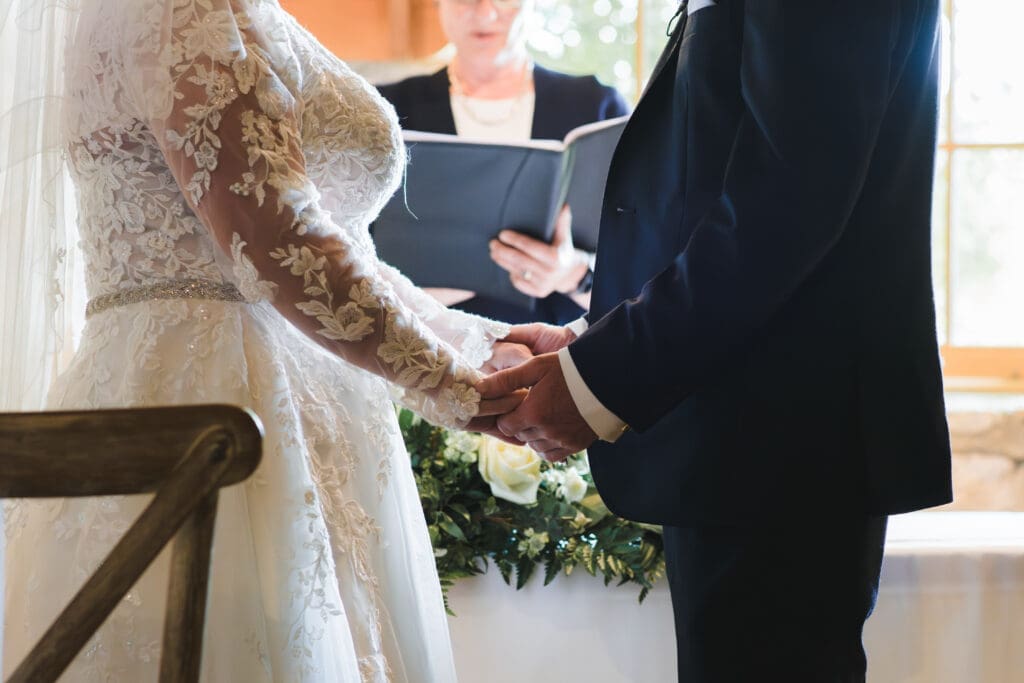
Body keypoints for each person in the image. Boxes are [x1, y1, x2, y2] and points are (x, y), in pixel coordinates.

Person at [0, 0, 530, 680]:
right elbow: (277, 240)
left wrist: (480, 343)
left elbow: (333, 249)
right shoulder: (180, 9)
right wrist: (455, 386)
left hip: (285, 392)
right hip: (220, 395)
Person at [478, 1, 953, 680]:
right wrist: (589, 342)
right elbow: (709, 203)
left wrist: (598, 380)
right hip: (743, 434)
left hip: (782, 444)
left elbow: (785, 206)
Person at [377, 0, 629, 325]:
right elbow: (345, 263)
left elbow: (644, 272)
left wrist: (573, 275)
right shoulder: (386, 109)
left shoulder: (598, 107)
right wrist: (432, 290)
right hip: (433, 353)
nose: (484, 12)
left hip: (566, 353)